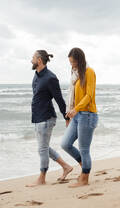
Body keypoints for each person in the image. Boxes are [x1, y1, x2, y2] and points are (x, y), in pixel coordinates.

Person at [26, 50, 73, 187]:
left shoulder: (50, 78)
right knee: (43, 148)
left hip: (46, 118)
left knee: (42, 149)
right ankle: (66, 167)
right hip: (37, 117)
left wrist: (66, 117)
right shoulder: (36, 76)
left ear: (39, 60)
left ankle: (42, 178)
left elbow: (59, 99)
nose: (31, 60)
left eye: (33, 58)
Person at [61, 47, 98, 188]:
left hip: (88, 115)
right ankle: (84, 168)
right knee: (65, 144)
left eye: (73, 62)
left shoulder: (89, 72)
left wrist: (76, 109)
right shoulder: (76, 74)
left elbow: (89, 95)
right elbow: (73, 96)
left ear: (79, 60)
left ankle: (85, 178)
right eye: (70, 62)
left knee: (84, 149)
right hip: (76, 115)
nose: (72, 65)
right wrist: (70, 113)